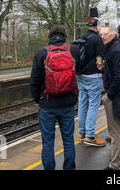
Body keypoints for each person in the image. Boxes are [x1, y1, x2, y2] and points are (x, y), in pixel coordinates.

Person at [30, 25, 80, 170]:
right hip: (68, 103)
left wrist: (38, 99)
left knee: (47, 142)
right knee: (68, 140)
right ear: (65, 36)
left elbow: (34, 80)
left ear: (49, 37)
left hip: (48, 104)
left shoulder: (42, 52)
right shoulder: (73, 50)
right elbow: (79, 72)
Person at [100, 23, 120, 170]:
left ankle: (115, 165)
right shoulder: (115, 49)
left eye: (105, 33)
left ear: (114, 33)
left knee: (115, 132)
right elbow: (116, 73)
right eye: (101, 34)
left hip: (116, 96)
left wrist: (109, 95)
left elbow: (119, 77)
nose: (103, 36)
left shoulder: (116, 51)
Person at [76, 17, 106, 147]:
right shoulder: (97, 39)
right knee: (93, 105)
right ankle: (90, 135)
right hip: (93, 77)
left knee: (82, 103)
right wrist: (101, 66)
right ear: (97, 26)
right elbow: (99, 58)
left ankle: (82, 132)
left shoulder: (82, 37)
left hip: (80, 76)